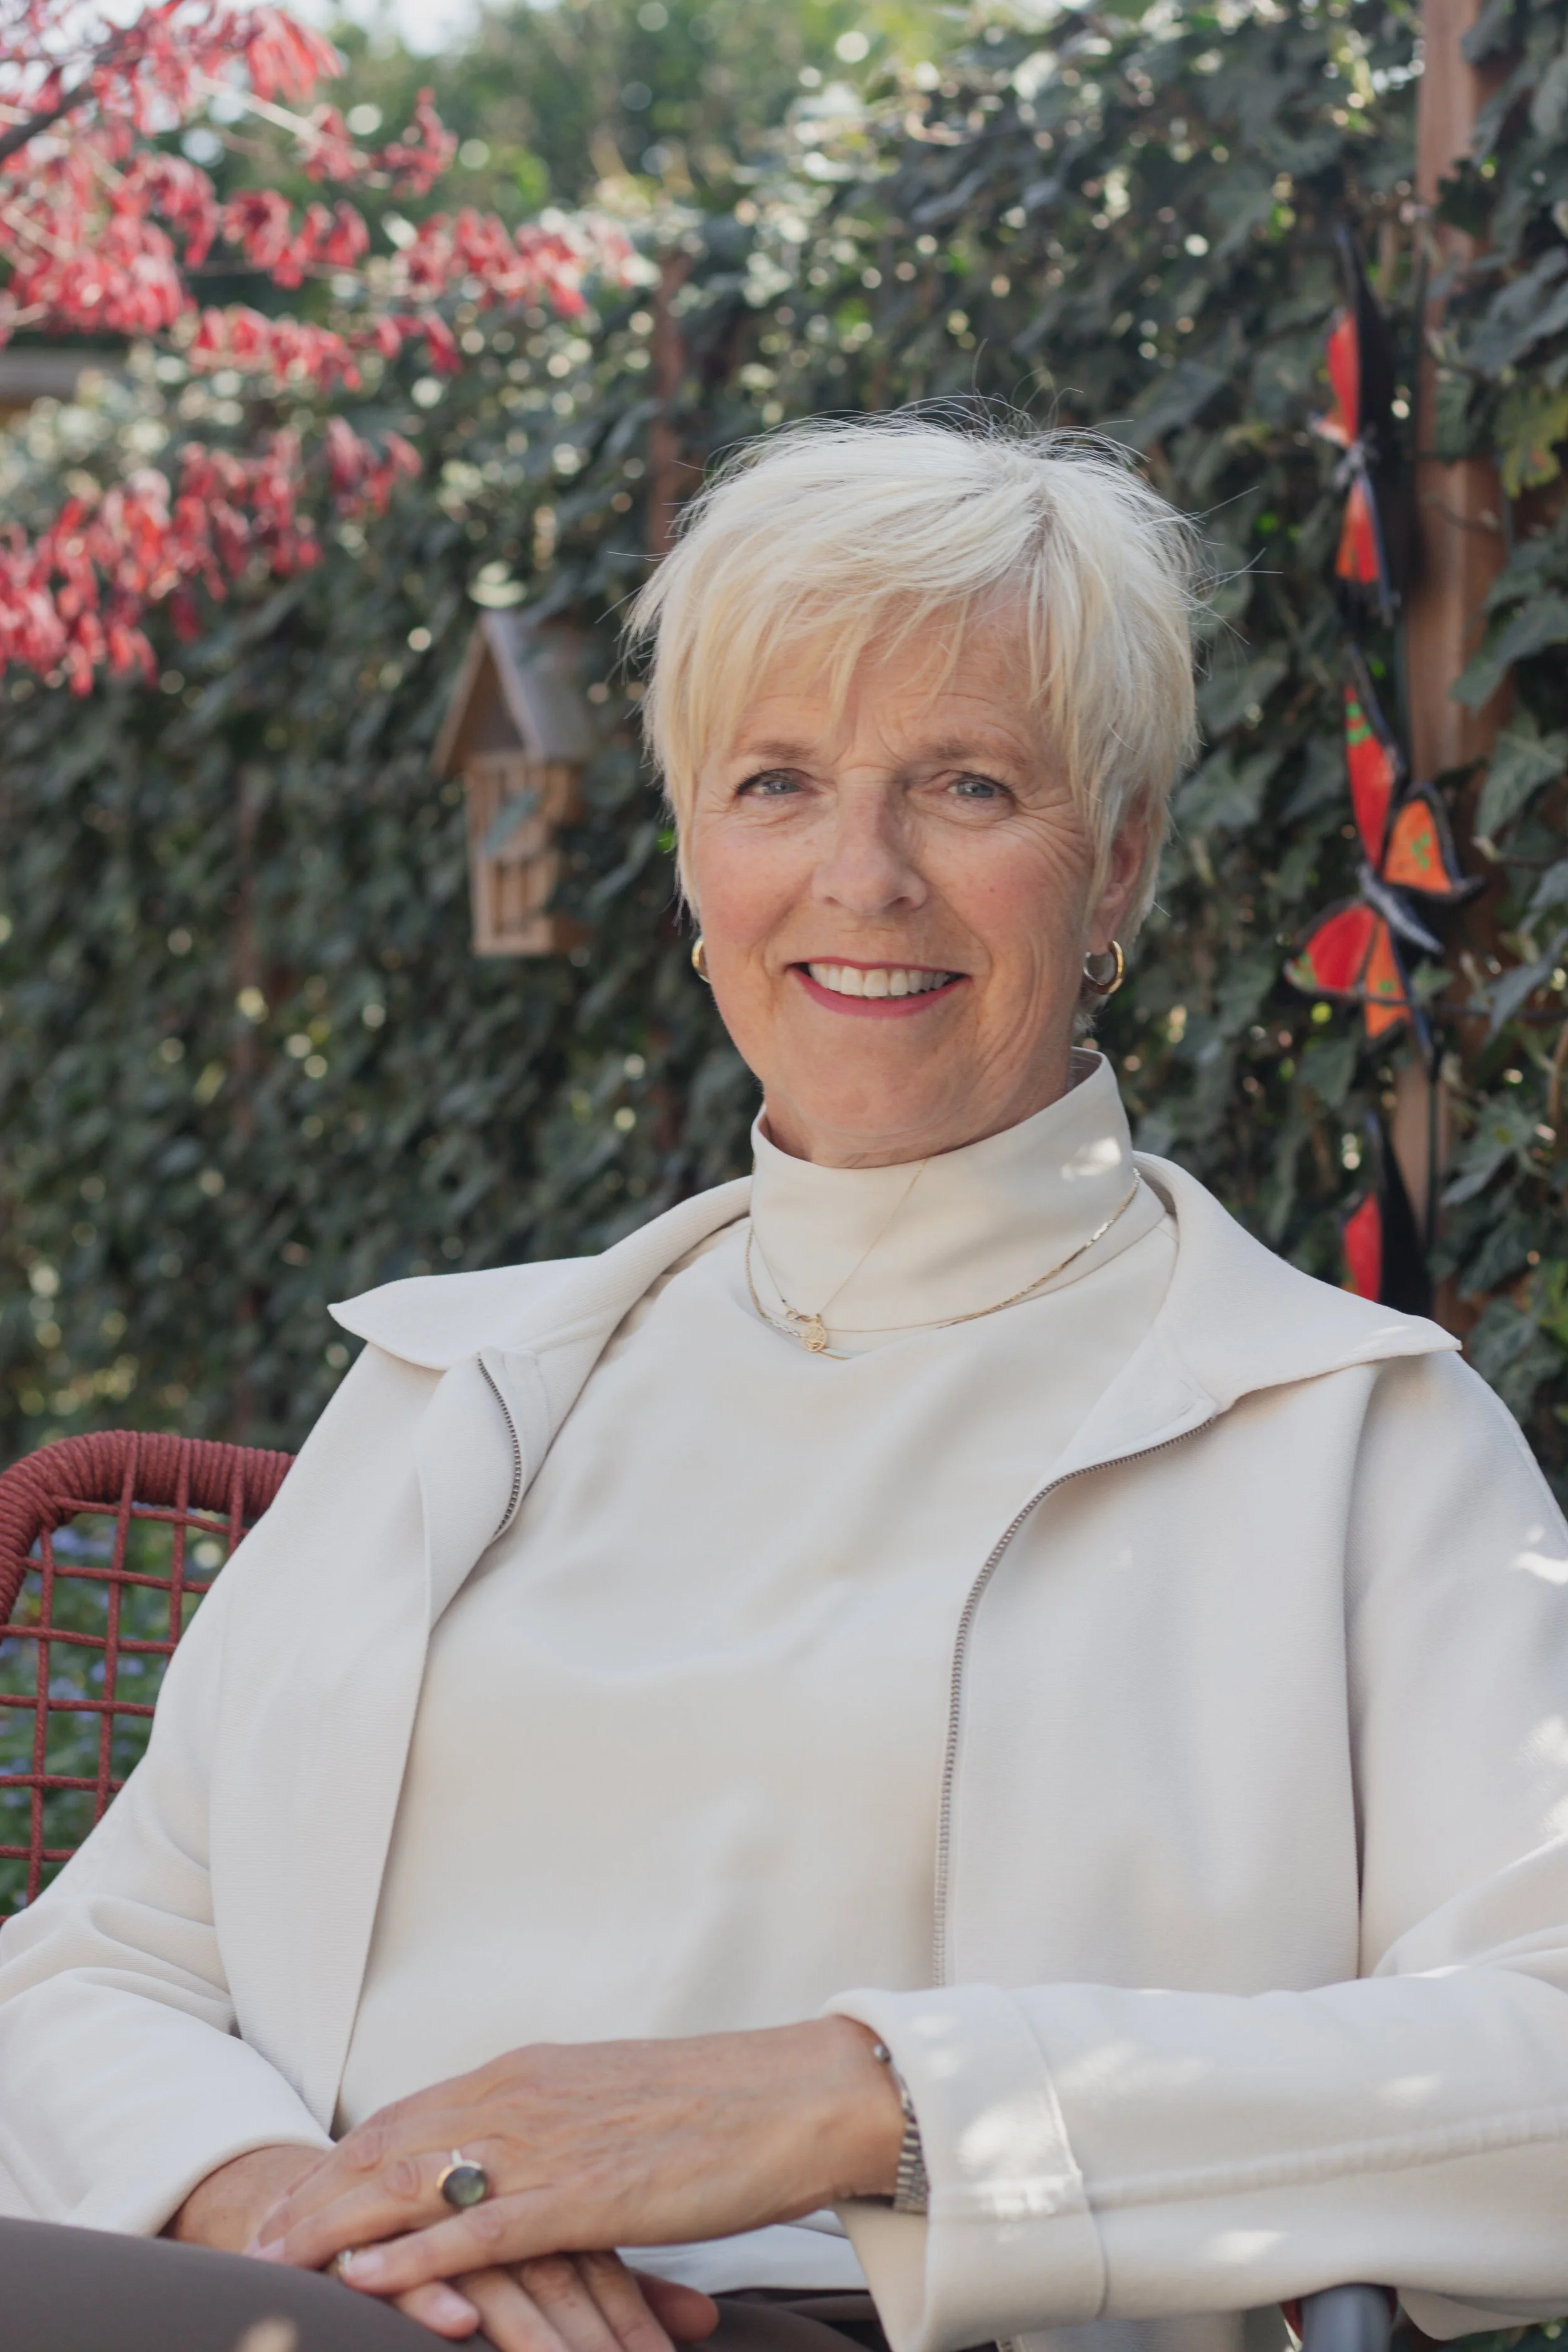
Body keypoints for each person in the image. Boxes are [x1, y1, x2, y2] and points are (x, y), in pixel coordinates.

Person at [4, 414, 1568, 2352]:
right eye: (775, 783)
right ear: (693, 855)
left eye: (967, 785)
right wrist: (294, 2207)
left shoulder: (1349, 1440)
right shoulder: (452, 1390)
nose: (861, 874)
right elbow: (93, 1968)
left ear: (1116, 866)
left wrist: (856, 2102)